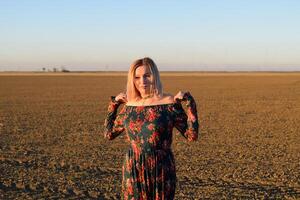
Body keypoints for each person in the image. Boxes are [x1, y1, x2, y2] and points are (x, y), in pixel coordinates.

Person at [104, 57, 199, 200]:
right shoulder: (129, 107)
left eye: (147, 75)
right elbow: (109, 134)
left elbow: (192, 135)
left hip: (161, 169)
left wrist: (189, 102)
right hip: (133, 169)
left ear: (155, 76)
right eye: (137, 77)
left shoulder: (169, 104)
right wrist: (114, 104)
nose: (142, 81)